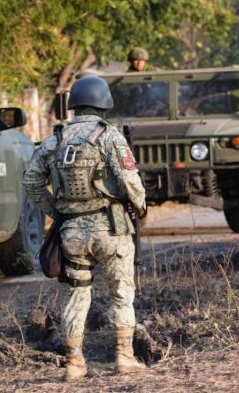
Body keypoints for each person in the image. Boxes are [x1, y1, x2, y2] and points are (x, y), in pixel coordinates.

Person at [23, 76, 148, 382]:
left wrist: (56, 210)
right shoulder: (109, 136)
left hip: (71, 233)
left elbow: (31, 181)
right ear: (103, 101)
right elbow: (130, 182)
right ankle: (124, 357)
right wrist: (140, 206)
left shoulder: (55, 138)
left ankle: (75, 363)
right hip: (112, 229)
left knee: (75, 296)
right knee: (121, 293)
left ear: (74, 104)